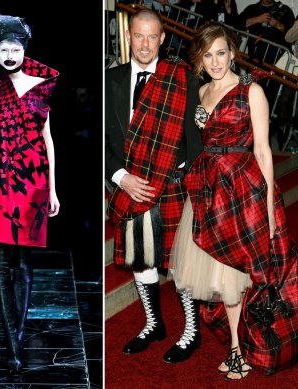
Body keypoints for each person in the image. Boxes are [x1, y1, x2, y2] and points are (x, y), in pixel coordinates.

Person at [170, 21, 298, 379]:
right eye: (208, 55)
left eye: (221, 53)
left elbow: (263, 150)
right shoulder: (200, 92)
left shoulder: (250, 90)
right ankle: (235, 346)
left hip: (242, 188)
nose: (215, 61)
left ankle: (238, 351)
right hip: (208, 187)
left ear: (232, 52)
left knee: (235, 274)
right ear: (200, 58)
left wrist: (271, 204)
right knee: (220, 271)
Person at [0, 8, 60, 372]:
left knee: (24, 262)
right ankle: (10, 343)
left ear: (24, 51)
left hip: (31, 183)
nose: (9, 55)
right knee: (1, 264)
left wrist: (53, 189)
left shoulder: (40, 87)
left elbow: (48, 140)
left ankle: (17, 334)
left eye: (15, 49)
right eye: (3, 49)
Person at [105, 9, 203, 364]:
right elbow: (101, 141)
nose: (145, 44)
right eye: (138, 36)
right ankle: (153, 324)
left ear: (163, 39)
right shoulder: (109, 79)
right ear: (128, 37)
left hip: (173, 185)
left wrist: (191, 180)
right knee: (141, 260)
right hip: (130, 184)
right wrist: (120, 177)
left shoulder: (183, 79)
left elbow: (196, 140)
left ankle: (191, 331)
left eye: (152, 37)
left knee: (179, 264)